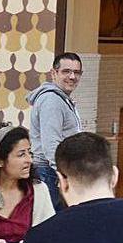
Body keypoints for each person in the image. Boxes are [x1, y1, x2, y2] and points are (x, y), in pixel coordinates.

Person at [27, 52, 83, 211]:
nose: (72, 77)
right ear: (54, 73)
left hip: (54, 173)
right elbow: (51, 145)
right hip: (50, 174)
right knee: (49, 226)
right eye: (66, 71)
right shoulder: (52, 100)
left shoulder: (61, 99)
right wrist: (64, 175)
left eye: (76, 72)